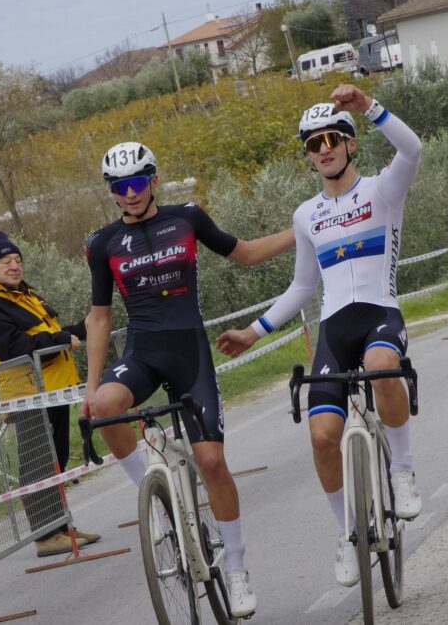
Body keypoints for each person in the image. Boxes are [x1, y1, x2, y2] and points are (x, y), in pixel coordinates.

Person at [216, 84, 423, 589]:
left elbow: (412, 148)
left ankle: (403, 469)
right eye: (314, 143)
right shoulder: (306, 215)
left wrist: (367, 106)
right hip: (334, 329)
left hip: (379, 314)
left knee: (380, 370)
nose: (325, 148)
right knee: (322, 438)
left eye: (333, 137)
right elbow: (303, 286)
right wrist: (254, 332)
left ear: (350, 143)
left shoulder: (382, 190)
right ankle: (347, 534)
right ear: (308, 156)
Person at [83, 141, 295, 618]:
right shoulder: (102, 244)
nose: (130, 193)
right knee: (104, 408)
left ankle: (237, 569)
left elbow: (244, 254)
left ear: (154, 180)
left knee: (213, 463)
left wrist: (300, 230)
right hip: (142, 351)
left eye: (138, 182)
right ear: (112, 192)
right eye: (120, 187)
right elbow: (99, 318)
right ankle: (153, 497)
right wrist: (89, 386)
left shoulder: (188, 217)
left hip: (189, 352)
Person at [0, 230, 102, 558]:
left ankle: (61, 527)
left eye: (17, 260)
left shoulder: (24, 294)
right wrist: (59, 341)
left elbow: (51, 333)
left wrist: (90, 323)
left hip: (53, 390)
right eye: (5, 262)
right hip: (26, 394)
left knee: (53, 458)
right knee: (37, 463)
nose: (14, 267)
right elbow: (13, 348)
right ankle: (45, 535)